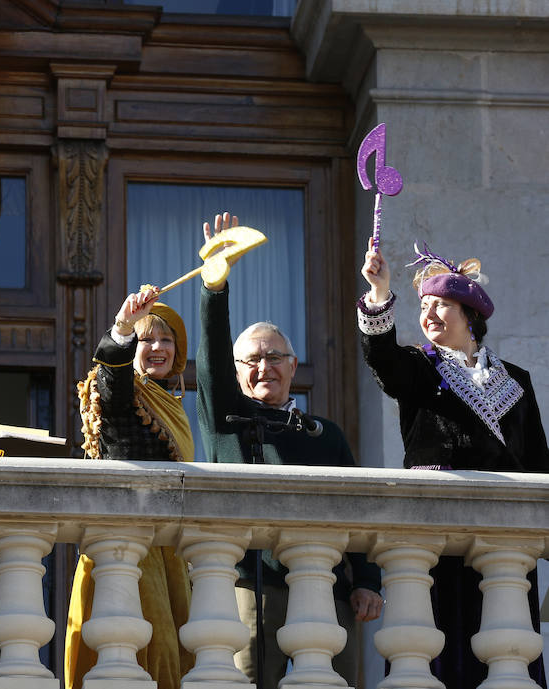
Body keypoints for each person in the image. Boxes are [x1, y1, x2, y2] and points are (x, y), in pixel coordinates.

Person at [196, 212, 383, 689]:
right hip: (249, 585)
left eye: (274, 357)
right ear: (238, 371)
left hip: (325, 585)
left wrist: (366, 579)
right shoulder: (227, 420)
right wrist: (214, 289)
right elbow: (213, 364)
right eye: (252, 359)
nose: (264, 367)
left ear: (294, 365)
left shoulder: (326, 433)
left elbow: (357, 509)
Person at [359, 236, 548, 689]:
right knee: (434, 648)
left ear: (471, 316)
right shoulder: (419, 367)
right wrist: (380, 291)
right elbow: (382, 357)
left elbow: (539, 463)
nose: (427, 314)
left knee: (507, 656)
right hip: (434, 530)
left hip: (506, 538)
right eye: (423, 306)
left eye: (441, 304)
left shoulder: (516, 380)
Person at [65, 287, 194, 689]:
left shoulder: (171, 404)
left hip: (169, 552)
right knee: (147, 657)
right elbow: (113, 386)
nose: (157, 347)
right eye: (145, 339)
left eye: (166, 339)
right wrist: (122, 328)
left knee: (178, 655)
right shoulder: (124, 393)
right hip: (125, 545)